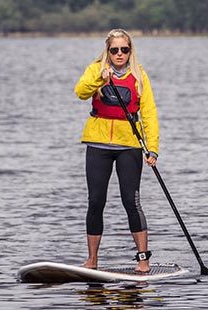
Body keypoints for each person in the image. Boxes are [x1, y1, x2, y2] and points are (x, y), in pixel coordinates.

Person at [73, 29, 160, 273]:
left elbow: (149, 114)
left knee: (131, 201)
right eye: (114, 50)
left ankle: (143, 259)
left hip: (129, 146)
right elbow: (80, 92)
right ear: (107, 51)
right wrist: (100, 78)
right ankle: (92, 260)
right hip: (97, 145)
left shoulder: (139, 75)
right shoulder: (96, 69)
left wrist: (152, 148)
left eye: (124, 49)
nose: (119, 54)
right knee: (95, 201)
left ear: (130, 51)